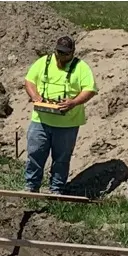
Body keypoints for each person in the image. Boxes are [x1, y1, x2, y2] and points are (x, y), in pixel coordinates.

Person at [24, 37, 98, 194]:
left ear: (72, 53)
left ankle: (57, 188)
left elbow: (90, 89)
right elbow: (29, 81)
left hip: (67, 124)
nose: (61, 57)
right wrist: (36, 96)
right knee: (35, 152)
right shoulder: (44, 62)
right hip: (41, 120)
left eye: (65, 54)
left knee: (61, 159)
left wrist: (73, 102)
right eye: (59, 53)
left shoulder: (81, 67)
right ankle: (31, 185)